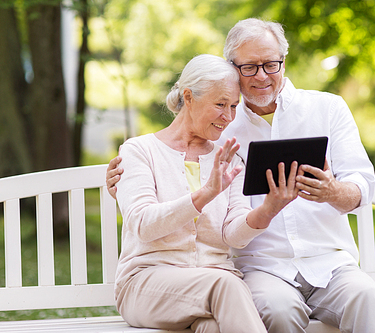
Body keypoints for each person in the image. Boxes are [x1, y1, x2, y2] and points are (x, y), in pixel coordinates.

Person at [108, 19, 375, 333]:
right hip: (260, 269)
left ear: (284, 62)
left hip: (330, 264)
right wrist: (125, 184)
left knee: (369, 297)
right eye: (249, 67)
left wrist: (331, 191)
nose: (261, 76)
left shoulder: (326, 109)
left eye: (271, 64)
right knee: (277, 311)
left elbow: (362, 187)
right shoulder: (219, 130)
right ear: (233, 69)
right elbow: (162, 180)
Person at [112, 54, 300, 333]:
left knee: (213, 328)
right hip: (147, 284)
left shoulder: (229, 159)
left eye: (234, 106)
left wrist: (269, 209)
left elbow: (232, 235)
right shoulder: (139, 151)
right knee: (227, 284)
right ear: (188, 97)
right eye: (220, 104)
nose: (228, 116)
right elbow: (143, 225)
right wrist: (206, 194)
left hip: (211, 290)